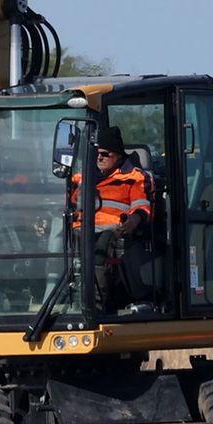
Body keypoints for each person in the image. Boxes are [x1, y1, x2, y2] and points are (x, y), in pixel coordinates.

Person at [70, 126, 153, 312]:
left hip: (113, 230)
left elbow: (142, 208)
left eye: (104, 154)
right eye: (96, 153)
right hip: (79, 229)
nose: (99, 158)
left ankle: (96, 306)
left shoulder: (135, 178)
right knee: (54, 237)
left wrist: (132, 221)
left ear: (118, 155)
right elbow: (66, 201)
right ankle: (46, 295)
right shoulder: (81, 177)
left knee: (101, 245)